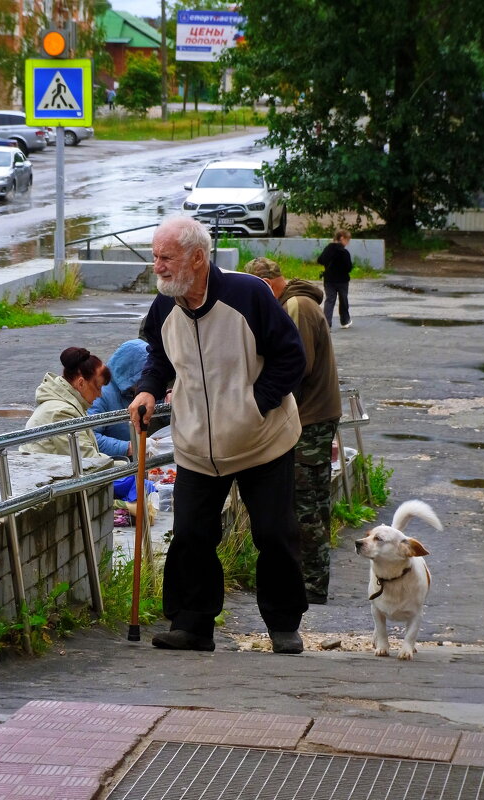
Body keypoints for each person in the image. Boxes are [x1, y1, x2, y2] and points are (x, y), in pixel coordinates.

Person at [129, 217, 308, 655]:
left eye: (166, 257)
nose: (158, 267)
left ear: (197, 257)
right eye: (155, 257)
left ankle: (283, 626)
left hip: (261, 440)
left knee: (273, 532)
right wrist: (149, 389)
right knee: (191, 533)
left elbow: (291, 358)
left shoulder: (249, 295)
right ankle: (192, 625)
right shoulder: (164, 305)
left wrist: (252, 407)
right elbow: (159, 354)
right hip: (196, 445)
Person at [244, 257, 342, 604]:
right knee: (316, 502)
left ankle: (311, 584)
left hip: (310, 418)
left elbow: (297, 366)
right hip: (319, 415)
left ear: (267, 284)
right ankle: (315, 578)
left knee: (304, 506)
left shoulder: (296, 306)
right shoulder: (299, 301)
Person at [20, 347, 111, 460]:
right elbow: (88, 462)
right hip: (47, 475)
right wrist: (128, 467)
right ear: (81, 383)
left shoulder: (67, 404)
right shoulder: (62, 412)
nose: (100, 394)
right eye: (98, 387)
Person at [88, 338, 160, 460]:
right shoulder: (100, 393)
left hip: (139, 457)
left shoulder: (139, 390)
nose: (145, 382)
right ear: (130, 373)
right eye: (143, 376)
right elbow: (90, 438)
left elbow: (159, 404)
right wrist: (129, 447)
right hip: (116, 465)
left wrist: (169, 395)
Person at [317, 230, 353, 329]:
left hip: (329, 279)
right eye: (347, 240)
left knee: (330, 300)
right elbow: (349, 267)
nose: (347, 243)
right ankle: (345, 321)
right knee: (343, 300)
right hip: (342, 280)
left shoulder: (328, 249)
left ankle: (327, 323)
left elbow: (320, 260)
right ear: (342, 238)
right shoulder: (344, 252)